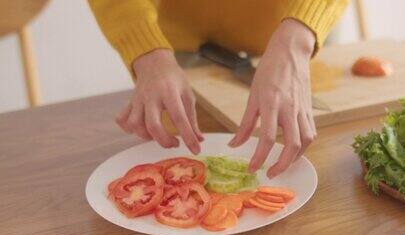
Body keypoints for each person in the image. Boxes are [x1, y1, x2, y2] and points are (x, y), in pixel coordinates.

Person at [89, 0, 348, 178]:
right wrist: (145, 48)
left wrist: (299, 39)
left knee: (313, 165)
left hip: (299, 25)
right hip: (172, 44)